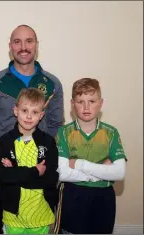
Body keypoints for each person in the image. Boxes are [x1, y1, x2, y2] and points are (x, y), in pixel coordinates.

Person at [0, 24, 63, 234]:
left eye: (29, 41)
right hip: (6, 173)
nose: (23, 47)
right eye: (17, 41)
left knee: (38, 226)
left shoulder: (52, 84)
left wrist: (46, 157)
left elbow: (55, 124)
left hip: (39, 178)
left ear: (36, 45)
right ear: (10, 46)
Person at [54, 78, 127, 234]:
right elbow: (64, 173)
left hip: (104, 197)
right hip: (73, 195)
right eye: (80, 102)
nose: (86, 107)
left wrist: (80, 164)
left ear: (101, 103)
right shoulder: (64, 132)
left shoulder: (110, 132)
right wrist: (101, 172)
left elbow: (119, 172)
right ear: (72, 104)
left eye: (92, 101)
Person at [0, 88, 59, 234]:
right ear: (15, 111)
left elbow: (51, 179)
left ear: (41, 115)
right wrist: (35, 171)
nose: (29, 116)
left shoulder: (48, 142)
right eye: (24, 110)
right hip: (13, 216)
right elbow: (1, 176)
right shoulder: (5, 141)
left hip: (40, 214)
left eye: (35, 112)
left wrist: (15, 173)